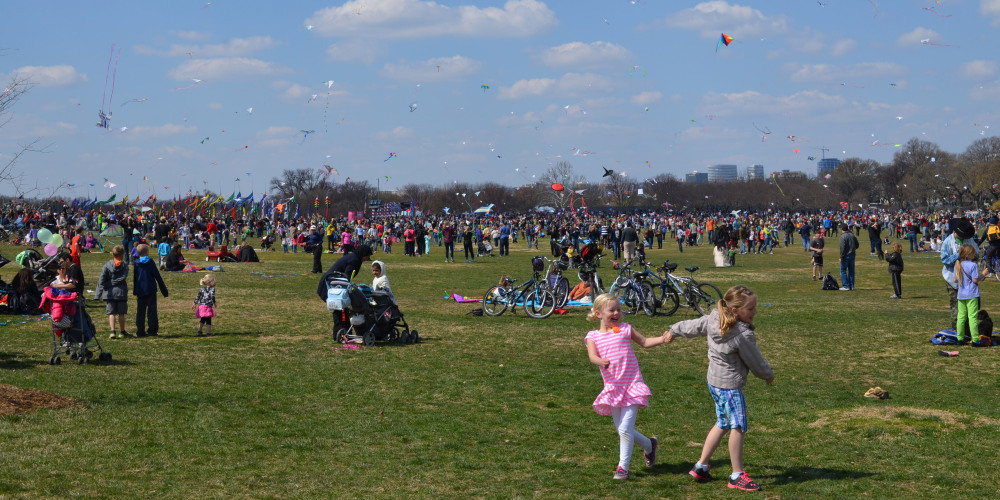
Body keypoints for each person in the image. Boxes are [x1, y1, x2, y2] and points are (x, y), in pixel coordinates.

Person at [664, 285, 774, 492]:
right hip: (729, 386)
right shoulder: (742, 335)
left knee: (723, 422)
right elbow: (756, 362)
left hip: (714, 382)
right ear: (735, 311)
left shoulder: (714, 319)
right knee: (738, 426)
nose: (755, 312)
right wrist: (767, 375)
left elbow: (692, 326)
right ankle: (736, 475)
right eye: (750, 309)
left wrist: (673, 330)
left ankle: (701, 466)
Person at [584, 293, 667, 480]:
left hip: (632, 385)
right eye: (611, 310)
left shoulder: (625, 329)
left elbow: (645, 342)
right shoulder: (593, 336)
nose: (616, 313)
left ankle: (623, 467)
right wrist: (600, 361)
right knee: (623, 429)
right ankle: (649, 445)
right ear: (598, 314)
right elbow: (592, 356)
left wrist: (662, 339)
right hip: (613, 388)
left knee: (624, 430)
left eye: (618, 310)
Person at [941, 217, 978, 330]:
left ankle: (968, 329)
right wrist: (958, 256)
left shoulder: (969, 240)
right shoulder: (948, 241)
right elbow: (944, 259)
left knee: (970, 306)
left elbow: (977, 253)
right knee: (956, 306)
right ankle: (956, 328)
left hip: (968, 280)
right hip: (952, 278)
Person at [133, 244, 169, 337]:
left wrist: (135, 290)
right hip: (150, 289)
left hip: (140, 289)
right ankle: (152, 330)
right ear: (147, 252)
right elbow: (157, 276)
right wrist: (164, 290)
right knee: (152, 311)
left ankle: (140, 331)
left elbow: (135, 278)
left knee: (140, 311)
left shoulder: (136, 263)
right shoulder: (150, 262)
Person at [95, 244, 130, 339]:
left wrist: (98, 294)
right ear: (122, 254)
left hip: (109, 293)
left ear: (112, 254)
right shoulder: (125, 266)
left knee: (111, 313)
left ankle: (112, 331)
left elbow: (101, 279)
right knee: (121, 313)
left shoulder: (106, 265)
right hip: (121, 292)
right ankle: (122, 332)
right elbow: (123, 278)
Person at [955, 244, 987, 344]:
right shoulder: (973, 265)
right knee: (972, 317)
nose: (974, 255)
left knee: (961, 317)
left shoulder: (958, 264)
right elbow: (974, 280)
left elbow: (955, 280)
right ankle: (976, 339)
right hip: (972, 294)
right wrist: (983, 275)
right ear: (969, 254)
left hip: (961, 295)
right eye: (973, 253)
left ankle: (959, 338)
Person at [838, 223, 859, 291]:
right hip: (852, 254)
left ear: (841, 229)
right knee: (851, 270)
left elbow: (842, 248)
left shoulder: (842, 237)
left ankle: (846, 286)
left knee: (843, 270)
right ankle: (852, 285)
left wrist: (841, 257)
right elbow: (857, 245)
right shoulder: (852, 235)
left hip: (846, 255)